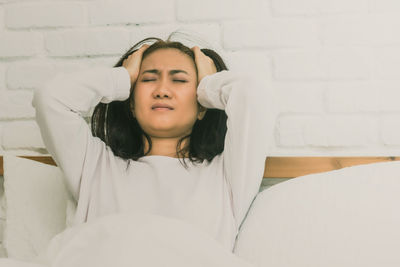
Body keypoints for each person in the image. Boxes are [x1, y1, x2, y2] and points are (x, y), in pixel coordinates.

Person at [32, 33, 272, 252]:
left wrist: (210, 84)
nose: (162, 90)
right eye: (148, 79)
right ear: (131, 103)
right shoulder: (95, 166)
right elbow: (50, 98)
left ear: (202, 105)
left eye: (178, 80)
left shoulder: (227, 176)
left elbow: (253, 95)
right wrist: (122, 78)